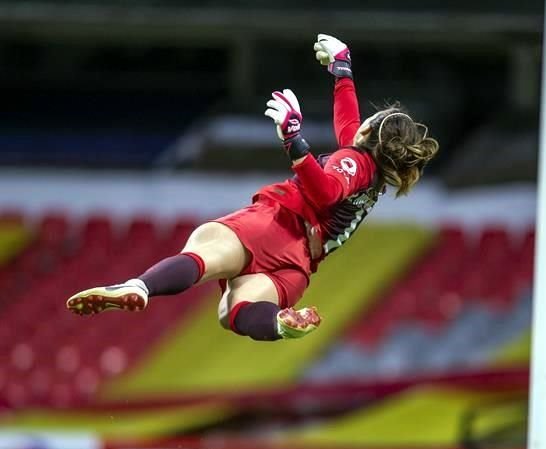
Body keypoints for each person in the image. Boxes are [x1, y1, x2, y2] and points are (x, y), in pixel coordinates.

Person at [66, 34, 439, 341]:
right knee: (233, 311)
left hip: (276, 228)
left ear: (370, 133)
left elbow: (325, 190)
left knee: (206, 246)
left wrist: (294, 142)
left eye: (368, 120)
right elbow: (349, 125)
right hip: (297, 268)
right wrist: (342, 72)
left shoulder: (354, 163)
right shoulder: (365, 173)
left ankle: (141, 287)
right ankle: (278, 323)